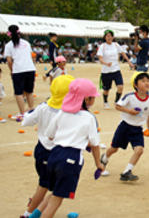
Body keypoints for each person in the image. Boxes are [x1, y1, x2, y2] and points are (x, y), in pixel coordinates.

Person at [29, 78, 103, 217]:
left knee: (55, 191)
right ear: (86, 99)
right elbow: (95, 144)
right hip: (71, 159)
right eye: (93, 97)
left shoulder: (62, 112)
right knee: (57, 199)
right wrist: (98, 164)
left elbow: (50, 135)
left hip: (54, 155)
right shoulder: (89, 117)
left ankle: (35, 214)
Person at [20, 75, 74, 218]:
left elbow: (26, 122)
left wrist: (31, 114)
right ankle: (28, 213)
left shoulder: (43, 108)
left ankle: (36, 207)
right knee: (47, 185)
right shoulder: (71, 112)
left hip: (42, 150)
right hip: (58, 154)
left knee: (47, 183)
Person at [100, 72, 149, 181]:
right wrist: (129, 111)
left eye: (148, 81)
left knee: (139, 150)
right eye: (143, 81)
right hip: (125, 127)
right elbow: (117, 106)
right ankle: (104, 158)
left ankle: (127, 171)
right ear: (135, 85)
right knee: (114, 149)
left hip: (137, 129)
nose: (146, 83)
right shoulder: (130, 97)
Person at [4, 25, 36, 120]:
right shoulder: (26, 43)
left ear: (9, 34)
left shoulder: (8, 45)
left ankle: (22, 113)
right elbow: (31, 56)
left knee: (18, 93)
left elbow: (9, 61)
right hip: (30, 69)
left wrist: (12, 71)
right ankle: (31, 110)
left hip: (18, 70)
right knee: (29, 91)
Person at [97, 30, 134, 109]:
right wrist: (105, 63)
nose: (109, 37)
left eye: (110, 36)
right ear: (105, 37)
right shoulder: (102, 46)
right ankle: (106, 102)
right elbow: (100, 58)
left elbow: (123, 54)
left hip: (116, 70)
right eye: (107, 36)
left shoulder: (116, 45)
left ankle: (117, 101)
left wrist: (129, 62)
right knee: (106, 90)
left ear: (113, 37)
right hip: (106, 71)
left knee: (120, 87)